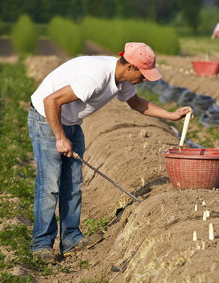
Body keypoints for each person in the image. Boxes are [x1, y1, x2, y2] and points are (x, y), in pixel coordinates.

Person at [28, 42, 191, 263]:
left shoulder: (122, 78)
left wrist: (171, 115)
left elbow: (136, 103)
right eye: (143, 75)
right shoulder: (94, 78)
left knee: (73, 184)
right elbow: (51, 101)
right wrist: (59, 137)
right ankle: (41, 245)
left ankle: (71, 238)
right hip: (46, 119)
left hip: (72, 122)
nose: (144, 80)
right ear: (131, 67)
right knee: (49, 186)